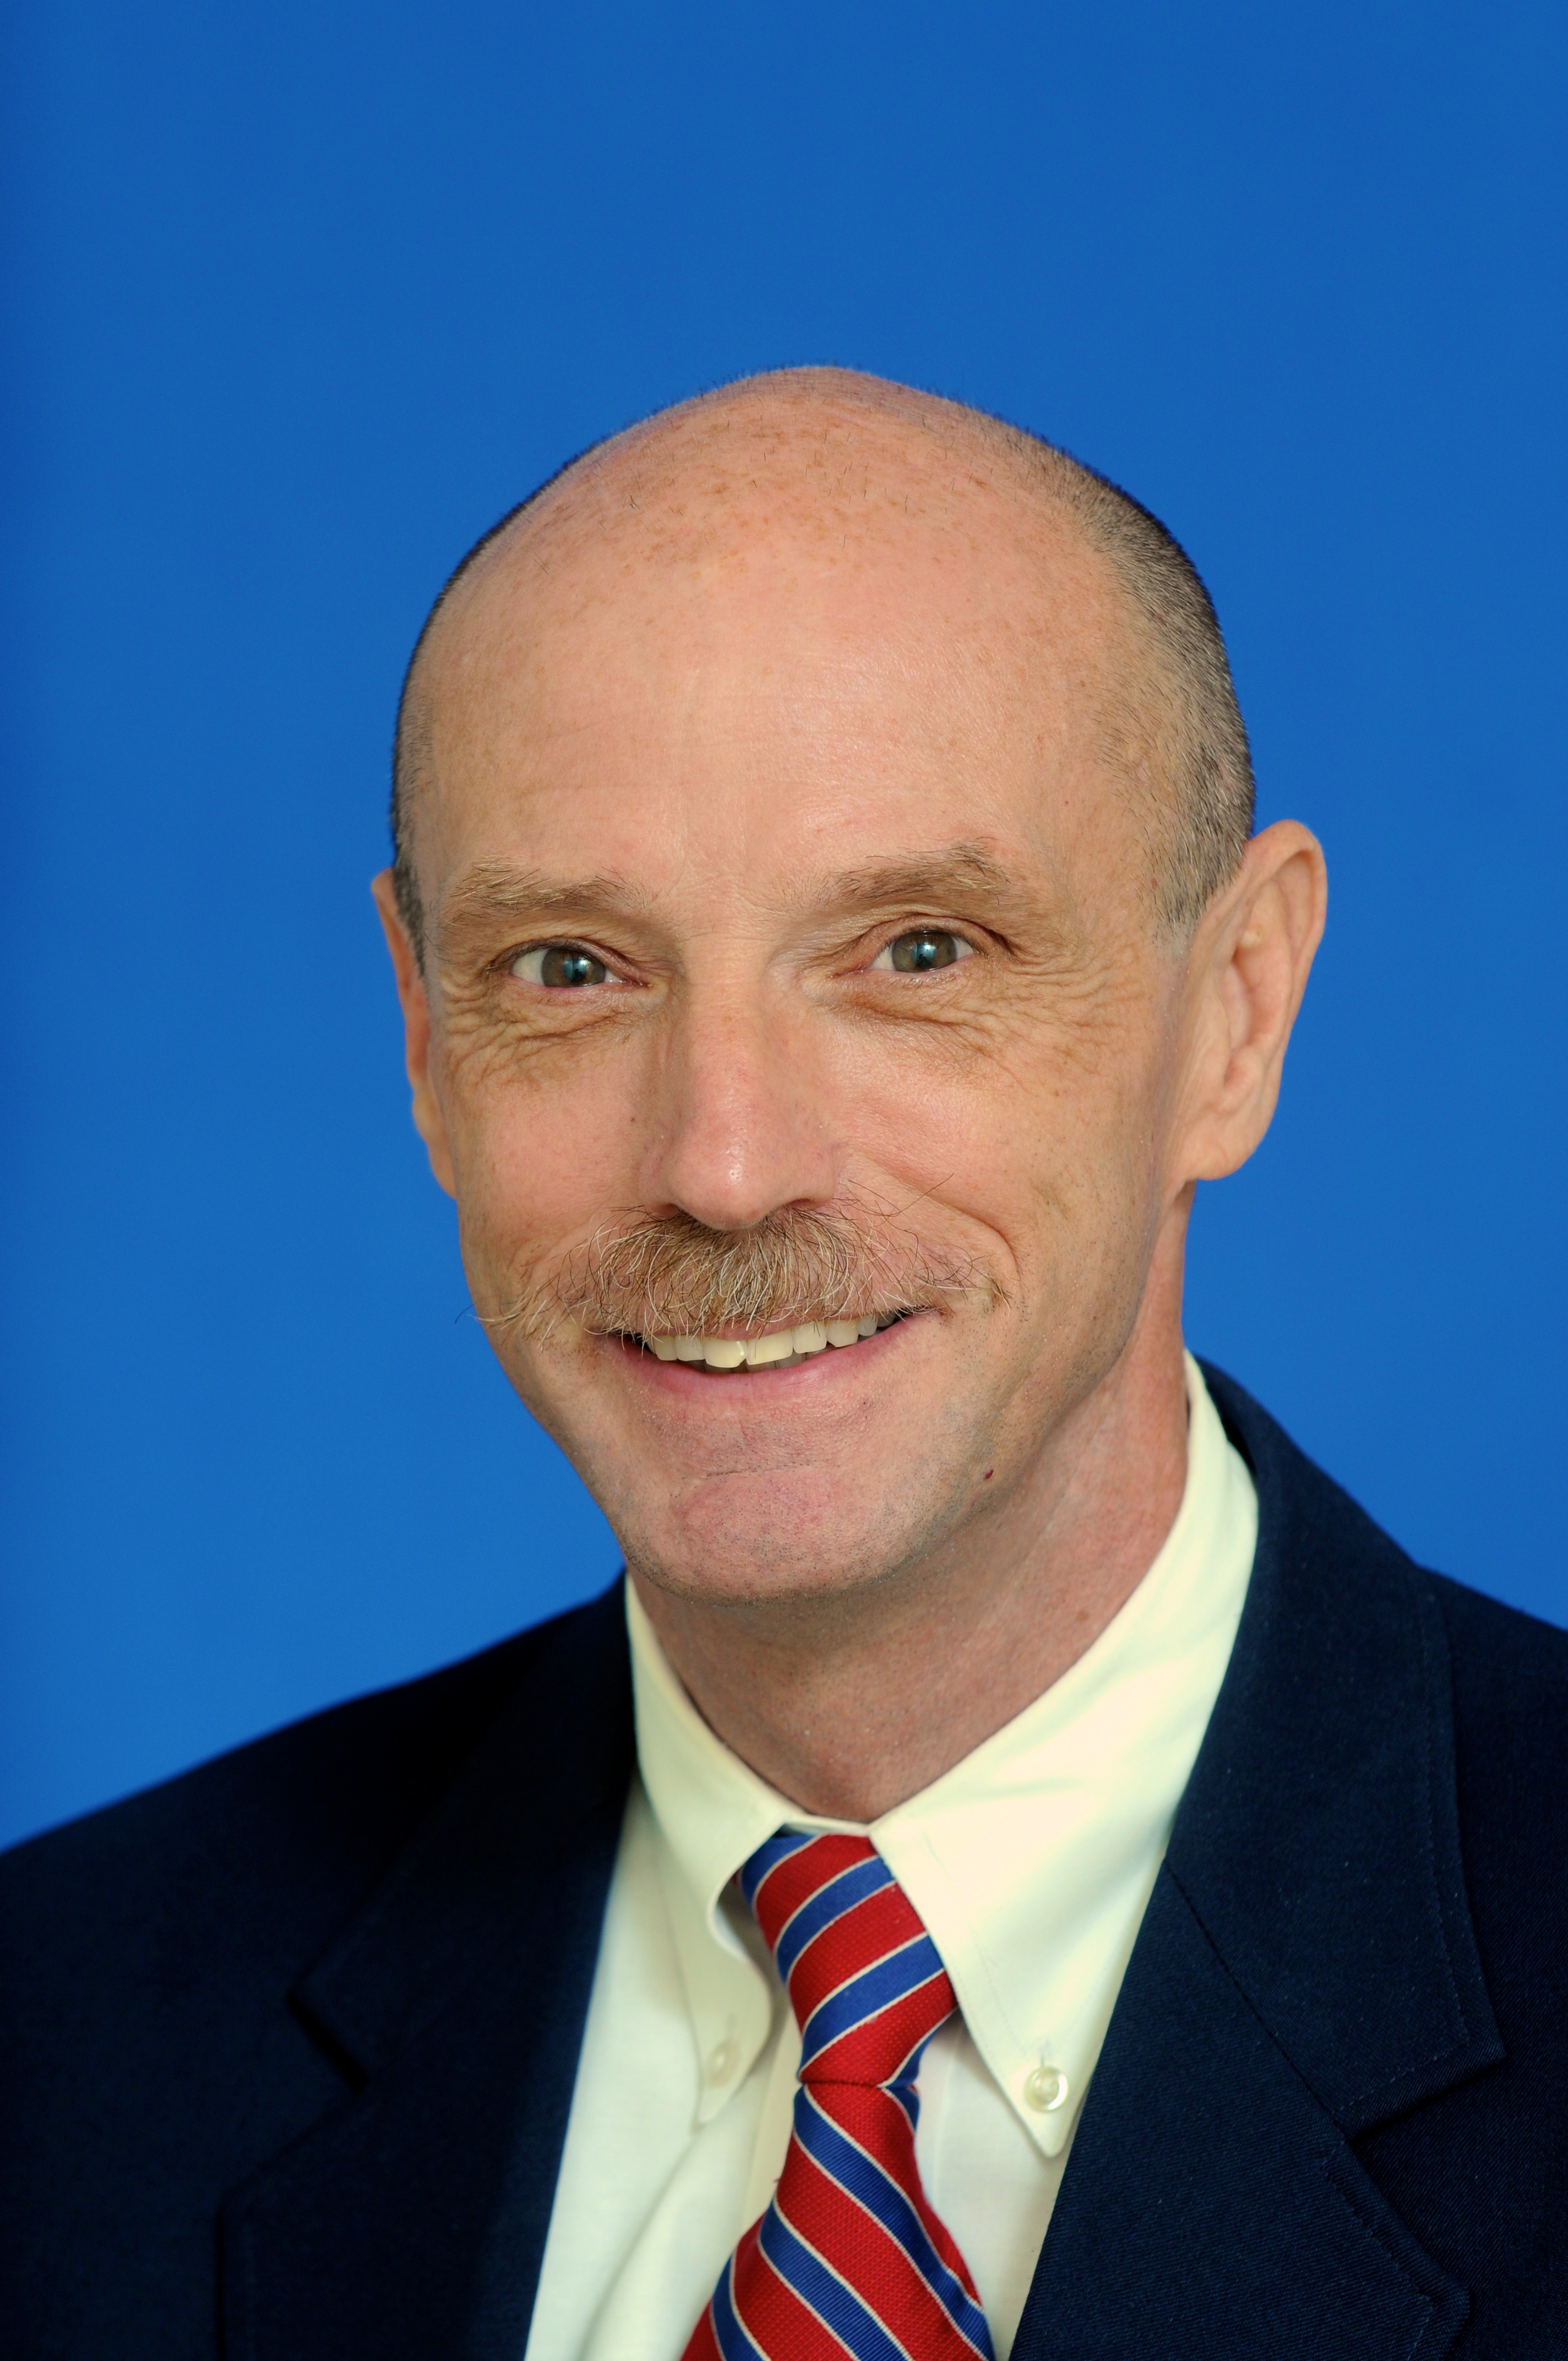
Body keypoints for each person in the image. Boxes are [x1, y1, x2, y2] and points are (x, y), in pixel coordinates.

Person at [2, 369, 1564, 2361]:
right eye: (572, 969)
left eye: (919, 951)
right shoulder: (62, 2045)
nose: (724, 1166)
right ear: (423, 1036)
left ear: (1236, 1016)